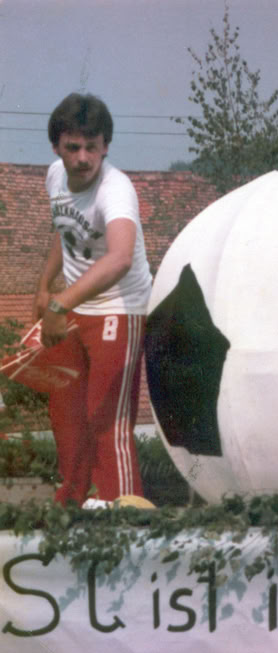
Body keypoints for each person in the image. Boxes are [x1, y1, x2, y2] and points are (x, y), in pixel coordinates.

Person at [34, 92, 152, 505]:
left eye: (92, 147)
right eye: (73, 147)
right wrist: (44, 286)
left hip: (118, 307)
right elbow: (66, 230)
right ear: (56, 147)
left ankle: (124, 515)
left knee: (106, 418)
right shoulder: (55, 176)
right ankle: (73, 506)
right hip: (73, 305)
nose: (83, 158)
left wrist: (58, 304)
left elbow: (119, 258)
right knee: (67, 416)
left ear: (106, 146)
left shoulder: (115, 190)